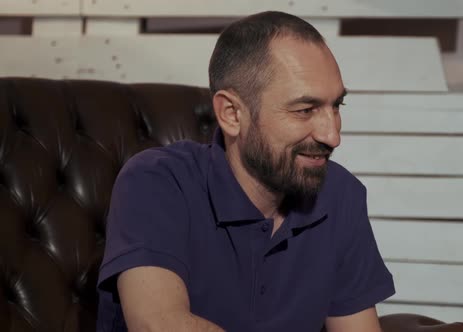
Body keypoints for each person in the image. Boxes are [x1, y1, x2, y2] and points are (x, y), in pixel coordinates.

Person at [96, 11, 394, 332]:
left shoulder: (339, 194)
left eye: (336, 106)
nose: (332, 135)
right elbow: (160, 326)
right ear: (231, 114)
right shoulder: (156, 181)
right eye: (305, 110)